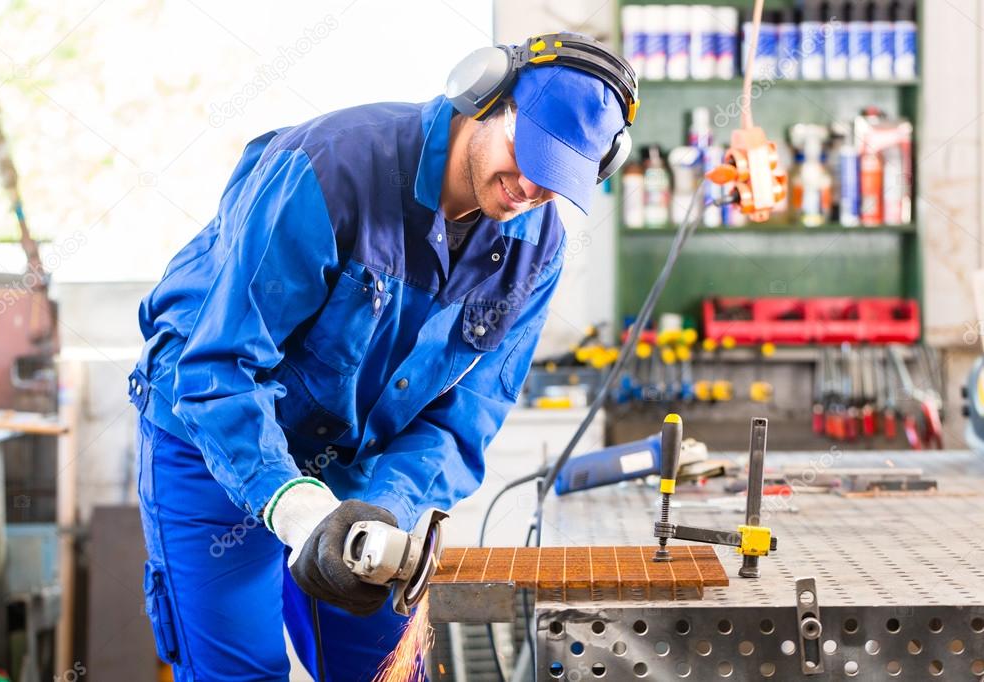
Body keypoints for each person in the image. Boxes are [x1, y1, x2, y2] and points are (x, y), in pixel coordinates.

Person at [128, 32, 637, 681]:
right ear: (483, 94)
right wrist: (295, 507)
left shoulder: (536, 248)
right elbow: (219, 366)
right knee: (240, 672)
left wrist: (383, 510)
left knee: (386, 671)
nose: (529, 187)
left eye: (558, 177)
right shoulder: (330, 169)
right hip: (206, 431)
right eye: (525, 151)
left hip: (357, 460)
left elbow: (463, 420)